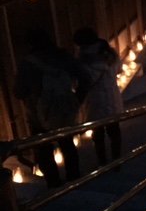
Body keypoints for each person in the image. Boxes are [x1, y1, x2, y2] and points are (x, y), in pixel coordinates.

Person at [13, 28, 91, 188]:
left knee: (44, 150)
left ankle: (54, 185)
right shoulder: (63, 57)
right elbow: (86, 77)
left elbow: (18, 92)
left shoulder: (28, 64)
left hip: (39, 114)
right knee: (67, 144)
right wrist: (77, 99)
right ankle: (74, 179)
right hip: (64, 111)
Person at [73, 27, 124, 168]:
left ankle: (102, 163)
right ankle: (117, 160)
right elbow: (119, 69)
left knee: (98, 133)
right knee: (114, 130)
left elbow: (81, 81)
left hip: (95, 100)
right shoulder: (110, 53)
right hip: (112, 96)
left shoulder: (83, 61)